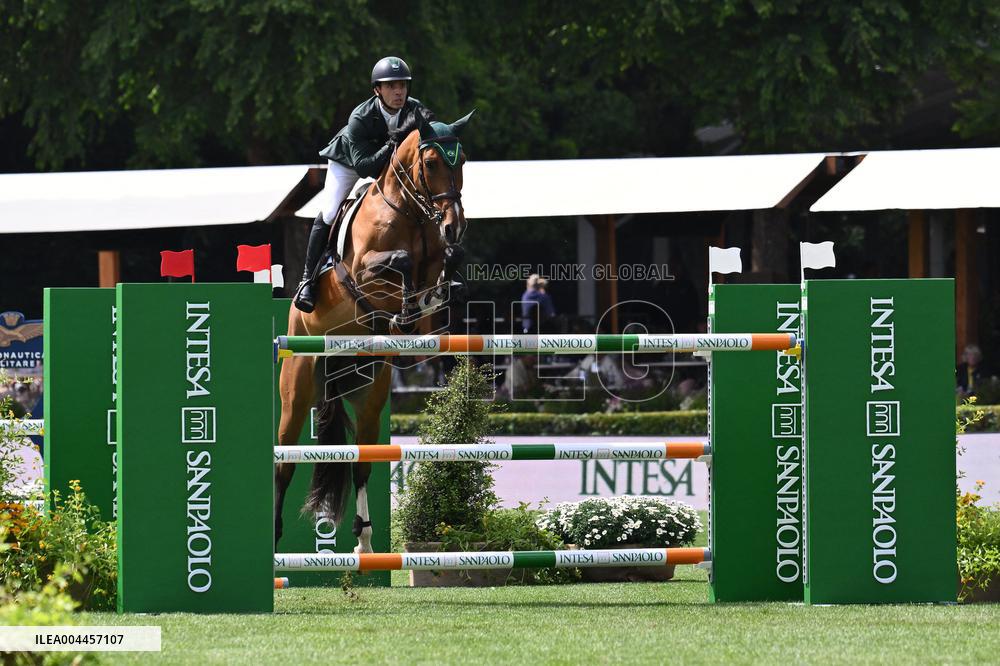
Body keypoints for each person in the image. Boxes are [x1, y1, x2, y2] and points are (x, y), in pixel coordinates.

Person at [294, 56, 434, 313]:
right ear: (377, 90)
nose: (398, 91)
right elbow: (365, 167)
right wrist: (394, 141)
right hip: (349, 163)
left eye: (402, 85)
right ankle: (307, 280)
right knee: (330, 212)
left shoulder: (414, 109)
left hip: (390, 166)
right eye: (391, 86)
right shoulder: (360, 116)